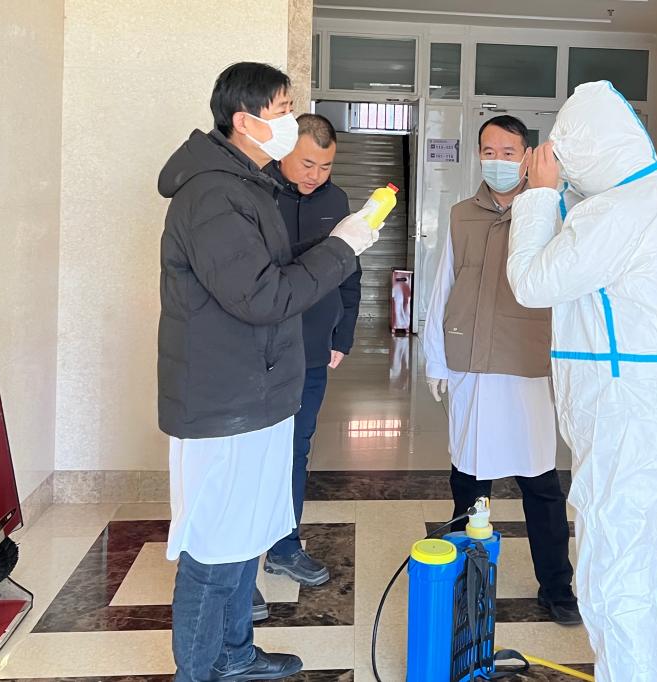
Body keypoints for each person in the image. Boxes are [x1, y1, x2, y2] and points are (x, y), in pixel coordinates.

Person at [157, 62, 379, 682]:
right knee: (212, 550)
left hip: (253, 393)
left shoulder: (245, 185)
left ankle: (234, 654)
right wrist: (342, 247)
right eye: (282, 110)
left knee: (242, 536)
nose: (290, 120)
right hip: (223, 401)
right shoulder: (212, 195)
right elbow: (262, 296)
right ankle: (198, 672)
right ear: (245, 120)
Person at [506, 80, 657, 681]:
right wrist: (558, 192)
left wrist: (538, 197)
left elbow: (532, 282)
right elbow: (589, 248)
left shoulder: (619, 211)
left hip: (628, 417)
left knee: (614, 569)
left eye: (565, 156)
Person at [423, 115, 580, 626]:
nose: (497, 161)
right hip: (470, 362)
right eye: (488, 151)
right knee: (470, 481)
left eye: (508, 152)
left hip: (528, 365)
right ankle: (465, 581)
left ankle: (556, 586)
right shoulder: (460, 215)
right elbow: (443, 286)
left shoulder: (553, 211)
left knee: (540, 483)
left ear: (527, 156)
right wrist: (435, 358)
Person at [261, 114, 360, 587]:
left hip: (312, 350)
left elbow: (350, 269)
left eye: (325, 166)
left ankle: (285, 546)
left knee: (297, 448)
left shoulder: (336, 201)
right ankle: (239, 565)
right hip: (258, 351)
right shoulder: (255, 193)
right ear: (284, 151)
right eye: (307, 164)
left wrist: (343, 333)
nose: (315, 175)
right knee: (253, 452)